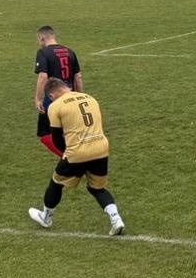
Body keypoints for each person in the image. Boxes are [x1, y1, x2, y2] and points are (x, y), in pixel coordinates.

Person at [28, 77, 125, 235]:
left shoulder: (55, 106)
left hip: (77, 152)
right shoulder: (90, 98)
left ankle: (46, 217)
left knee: (56, 183)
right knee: (97, 188)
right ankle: (116, 219)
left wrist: (66, 152)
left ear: (51, 95)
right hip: (101, 148)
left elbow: (57, 138)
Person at [34, 26, 83, 157]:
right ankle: (78, 156)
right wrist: (80, 97)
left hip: (52, 99)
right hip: (71, 97)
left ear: (42, 38)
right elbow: (78, 77)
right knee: (68, 131)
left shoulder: (43, 53)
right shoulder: (70, 51)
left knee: (45, 134)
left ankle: (69, 159)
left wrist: (39, 99)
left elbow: (43, 76)